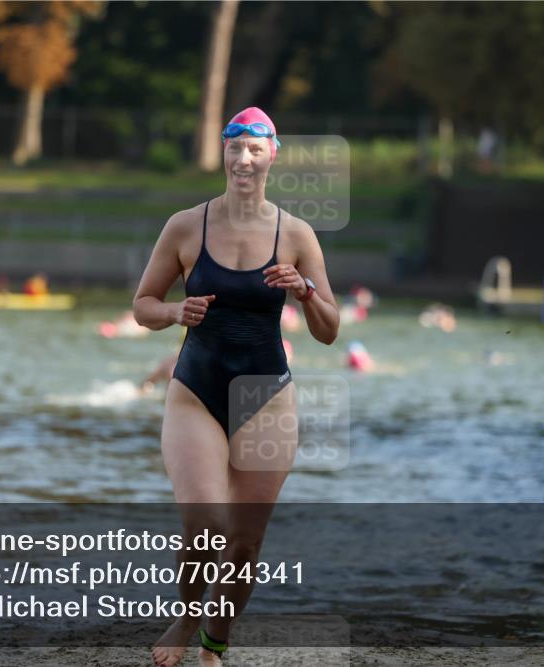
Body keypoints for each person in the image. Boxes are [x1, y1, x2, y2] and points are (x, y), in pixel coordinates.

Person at [132, 106, 339, 667]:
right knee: (205, 523)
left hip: (266, 393)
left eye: (254, 149)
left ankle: (214, 647)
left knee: (244, 544)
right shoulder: (185, 225)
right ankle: (186, 615)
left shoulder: (296, 233)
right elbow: (142, 306)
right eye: (234, 147)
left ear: (273, 155)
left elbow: (329, 331)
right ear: (223, 153)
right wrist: (176, 312)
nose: (243, 159)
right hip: (196, 387)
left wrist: (305, 291)